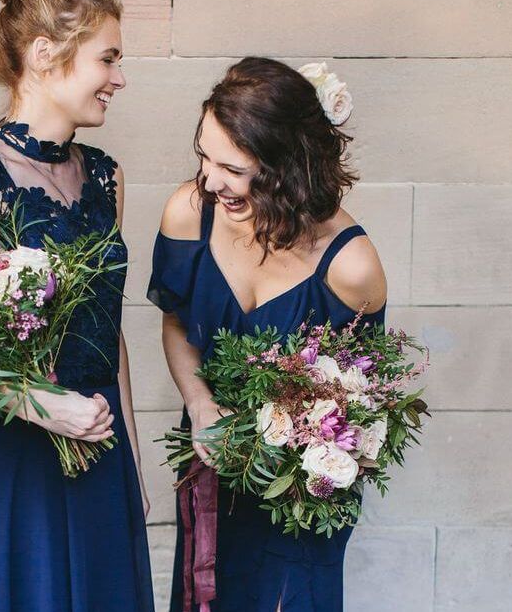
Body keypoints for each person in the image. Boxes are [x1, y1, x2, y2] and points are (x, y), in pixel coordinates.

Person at [0, 0, 153, 612]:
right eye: (108, 58)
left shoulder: (106, 176)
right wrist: (44, 405)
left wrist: (129, 460)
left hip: (97, 443)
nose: (119, 77)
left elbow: (109, 334)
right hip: (12, 461)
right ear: (46, 55)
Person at [148, 57, 387, 612]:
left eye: (231, 167)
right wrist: (199, 403)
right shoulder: (190, 213)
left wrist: (300, 444)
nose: (210, 180)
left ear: (287, 168)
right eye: (204, 156)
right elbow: (178, 320)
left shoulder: (351, 268)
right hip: (211, 457)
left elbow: (364, 400)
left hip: (298, 492)